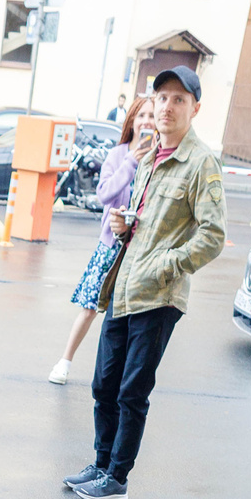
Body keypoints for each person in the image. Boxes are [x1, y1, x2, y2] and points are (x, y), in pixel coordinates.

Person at [67, 66, 223, 499]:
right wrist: (122, 225)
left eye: (178, 99)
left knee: (132, 391)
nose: (167, 106)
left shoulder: (201, 162)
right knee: (103, 385)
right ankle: (100, 463)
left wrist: (165, 266)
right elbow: (139, 221)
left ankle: (117, 478)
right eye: (161, 98)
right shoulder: (148, 156)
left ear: (195, 108)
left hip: (158, 295)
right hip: (123, 285)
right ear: (151, 105)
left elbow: (212, 236)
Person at [49, 99, 153, 386]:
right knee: (90, 307)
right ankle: (64, 361)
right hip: (110, 245)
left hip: (140, 250)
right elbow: (105, 194)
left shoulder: (160, 159)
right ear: (131, 120)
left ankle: (119, 376)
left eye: (152, 116)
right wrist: (132, 161)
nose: (147, 120)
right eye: (142, 114)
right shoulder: (118, 155)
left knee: (129, 316)